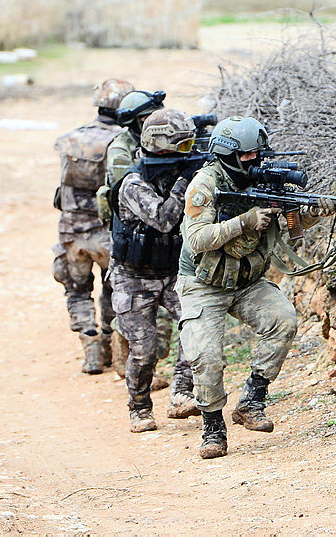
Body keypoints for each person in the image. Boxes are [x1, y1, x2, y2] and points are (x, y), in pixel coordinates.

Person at [177, 115, 334, 459]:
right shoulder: (205, 185)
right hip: (204, 282)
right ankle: (213, 428)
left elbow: (295, 228)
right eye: (246, 155)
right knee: (206, 357)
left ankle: (252, 399)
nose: (254, 161)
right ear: (227, 154)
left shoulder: (264, 178)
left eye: (257, 154)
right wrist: (244, 221)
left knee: (283, 320)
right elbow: (196, 239)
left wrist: (312, 213)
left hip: (247, 281)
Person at [101, 90, 196, 418]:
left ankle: (182, 392)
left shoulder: (174, 171)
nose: (188, 153)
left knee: (195, 328)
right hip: (133, 276)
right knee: (145, 351)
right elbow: (165, 219)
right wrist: (186, 181)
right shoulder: (133, 182)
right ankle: (139, 407)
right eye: (181, 146)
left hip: (171, 271)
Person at [52, 78, 134, 374]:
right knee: (114, 289)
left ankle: (91, 354)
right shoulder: (123, 142)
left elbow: (62, 190)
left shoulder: (70, 139)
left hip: (72, 232)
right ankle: (115, 349)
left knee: (76, 290)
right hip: (107, 233)